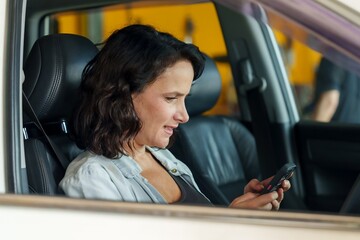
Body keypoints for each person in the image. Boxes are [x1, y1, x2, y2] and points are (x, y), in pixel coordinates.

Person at [59, 24, 290, 210]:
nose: (185, 116)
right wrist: (229, 226)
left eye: (185, 99)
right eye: (171, 98)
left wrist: (238, 212)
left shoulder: (164, 157)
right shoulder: (91, 180)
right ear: (123, 95)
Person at [311, 57, 360, 123]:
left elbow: (329, 101)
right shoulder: (354, 54)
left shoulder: (334, 54)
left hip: (337, 128)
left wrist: (313, 132)